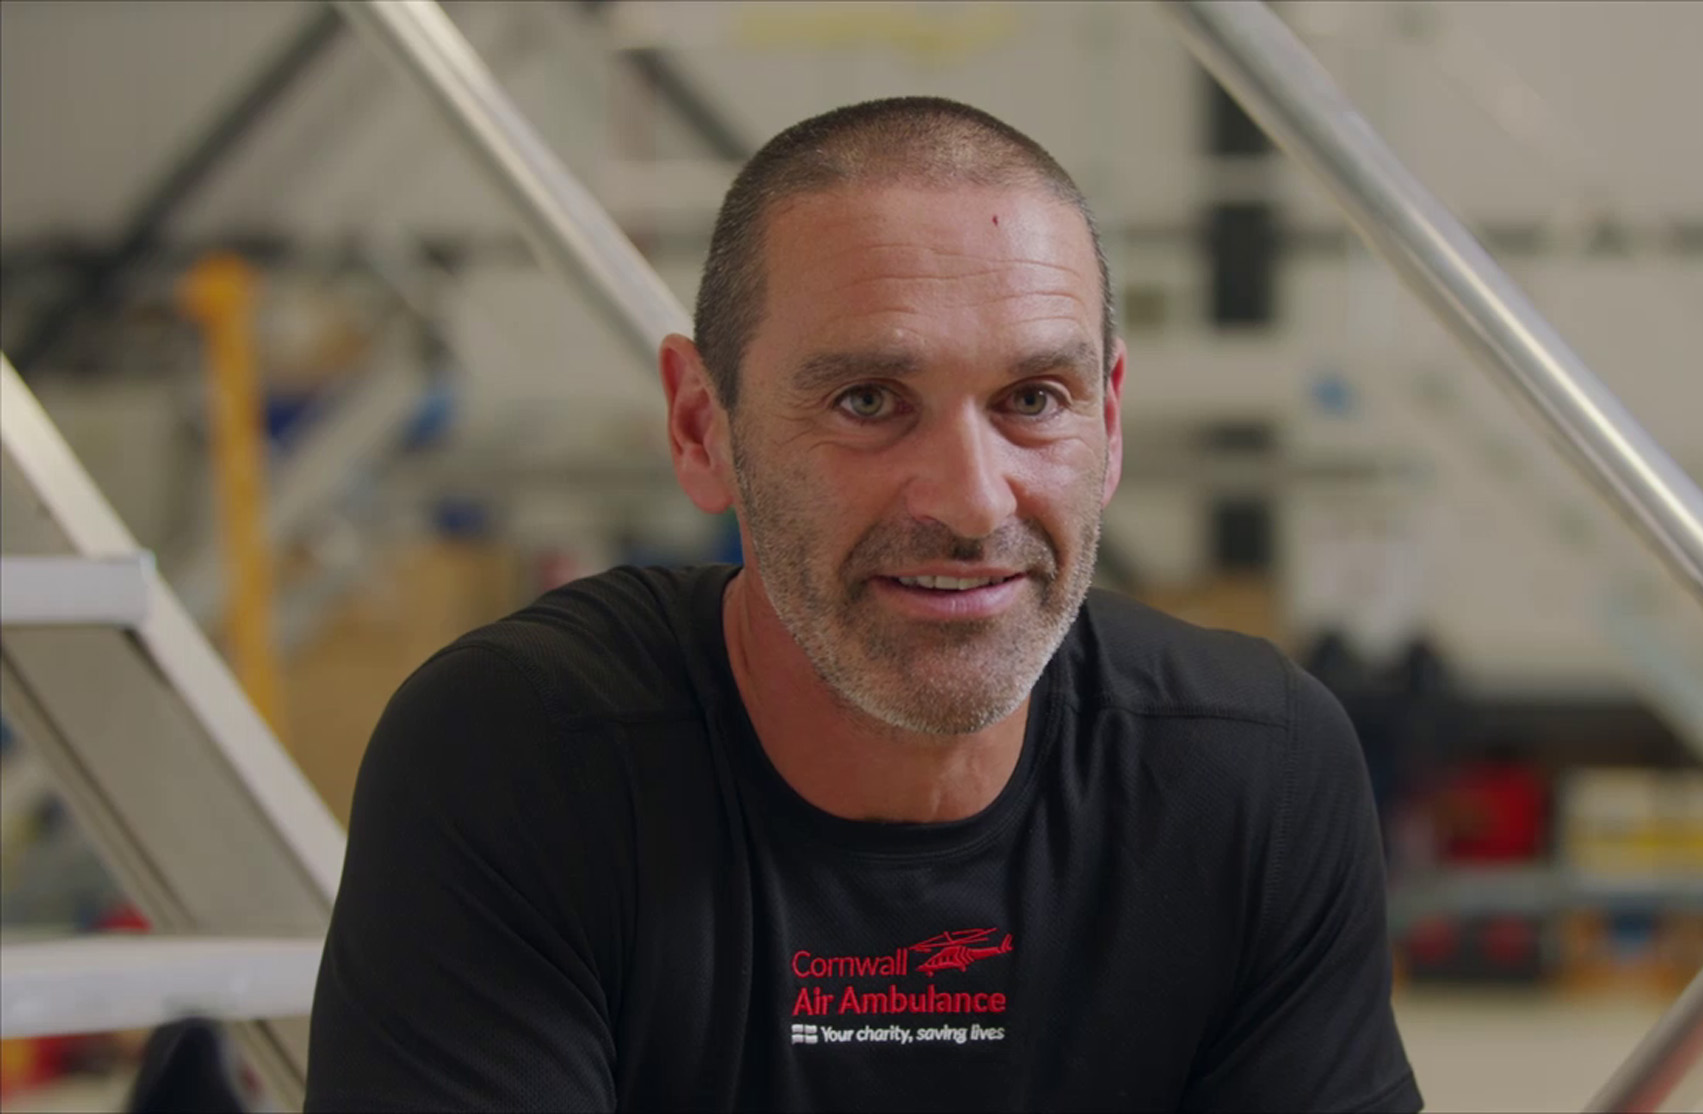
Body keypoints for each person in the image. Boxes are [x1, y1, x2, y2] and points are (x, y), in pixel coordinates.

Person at [306, 96, 1420, 1113]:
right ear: (701, 428)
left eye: (1035, 398)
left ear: (1111, 422)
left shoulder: (1251, 774)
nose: (974, 502)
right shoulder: (527, 762)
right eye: (870, 400)